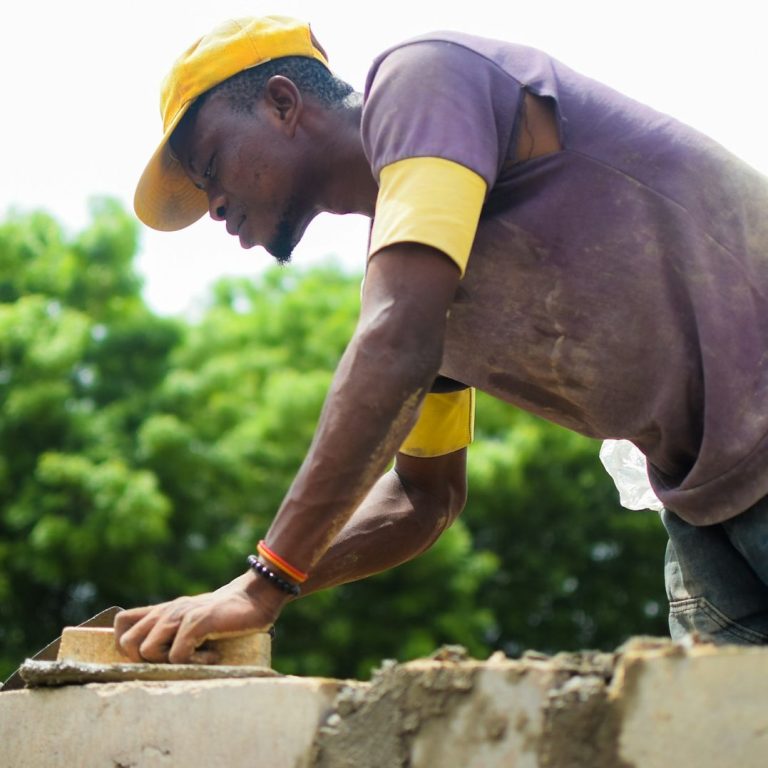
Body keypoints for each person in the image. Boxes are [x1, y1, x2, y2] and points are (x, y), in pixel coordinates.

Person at [116, 15, 768, 663]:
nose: (214, 203)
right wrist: (253, 587)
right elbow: (423, 497)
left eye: (211, 166)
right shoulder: (422, 264)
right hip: (703, 503)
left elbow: (398, 342)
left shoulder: (424, 80)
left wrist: (266, 581)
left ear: (282, 103)